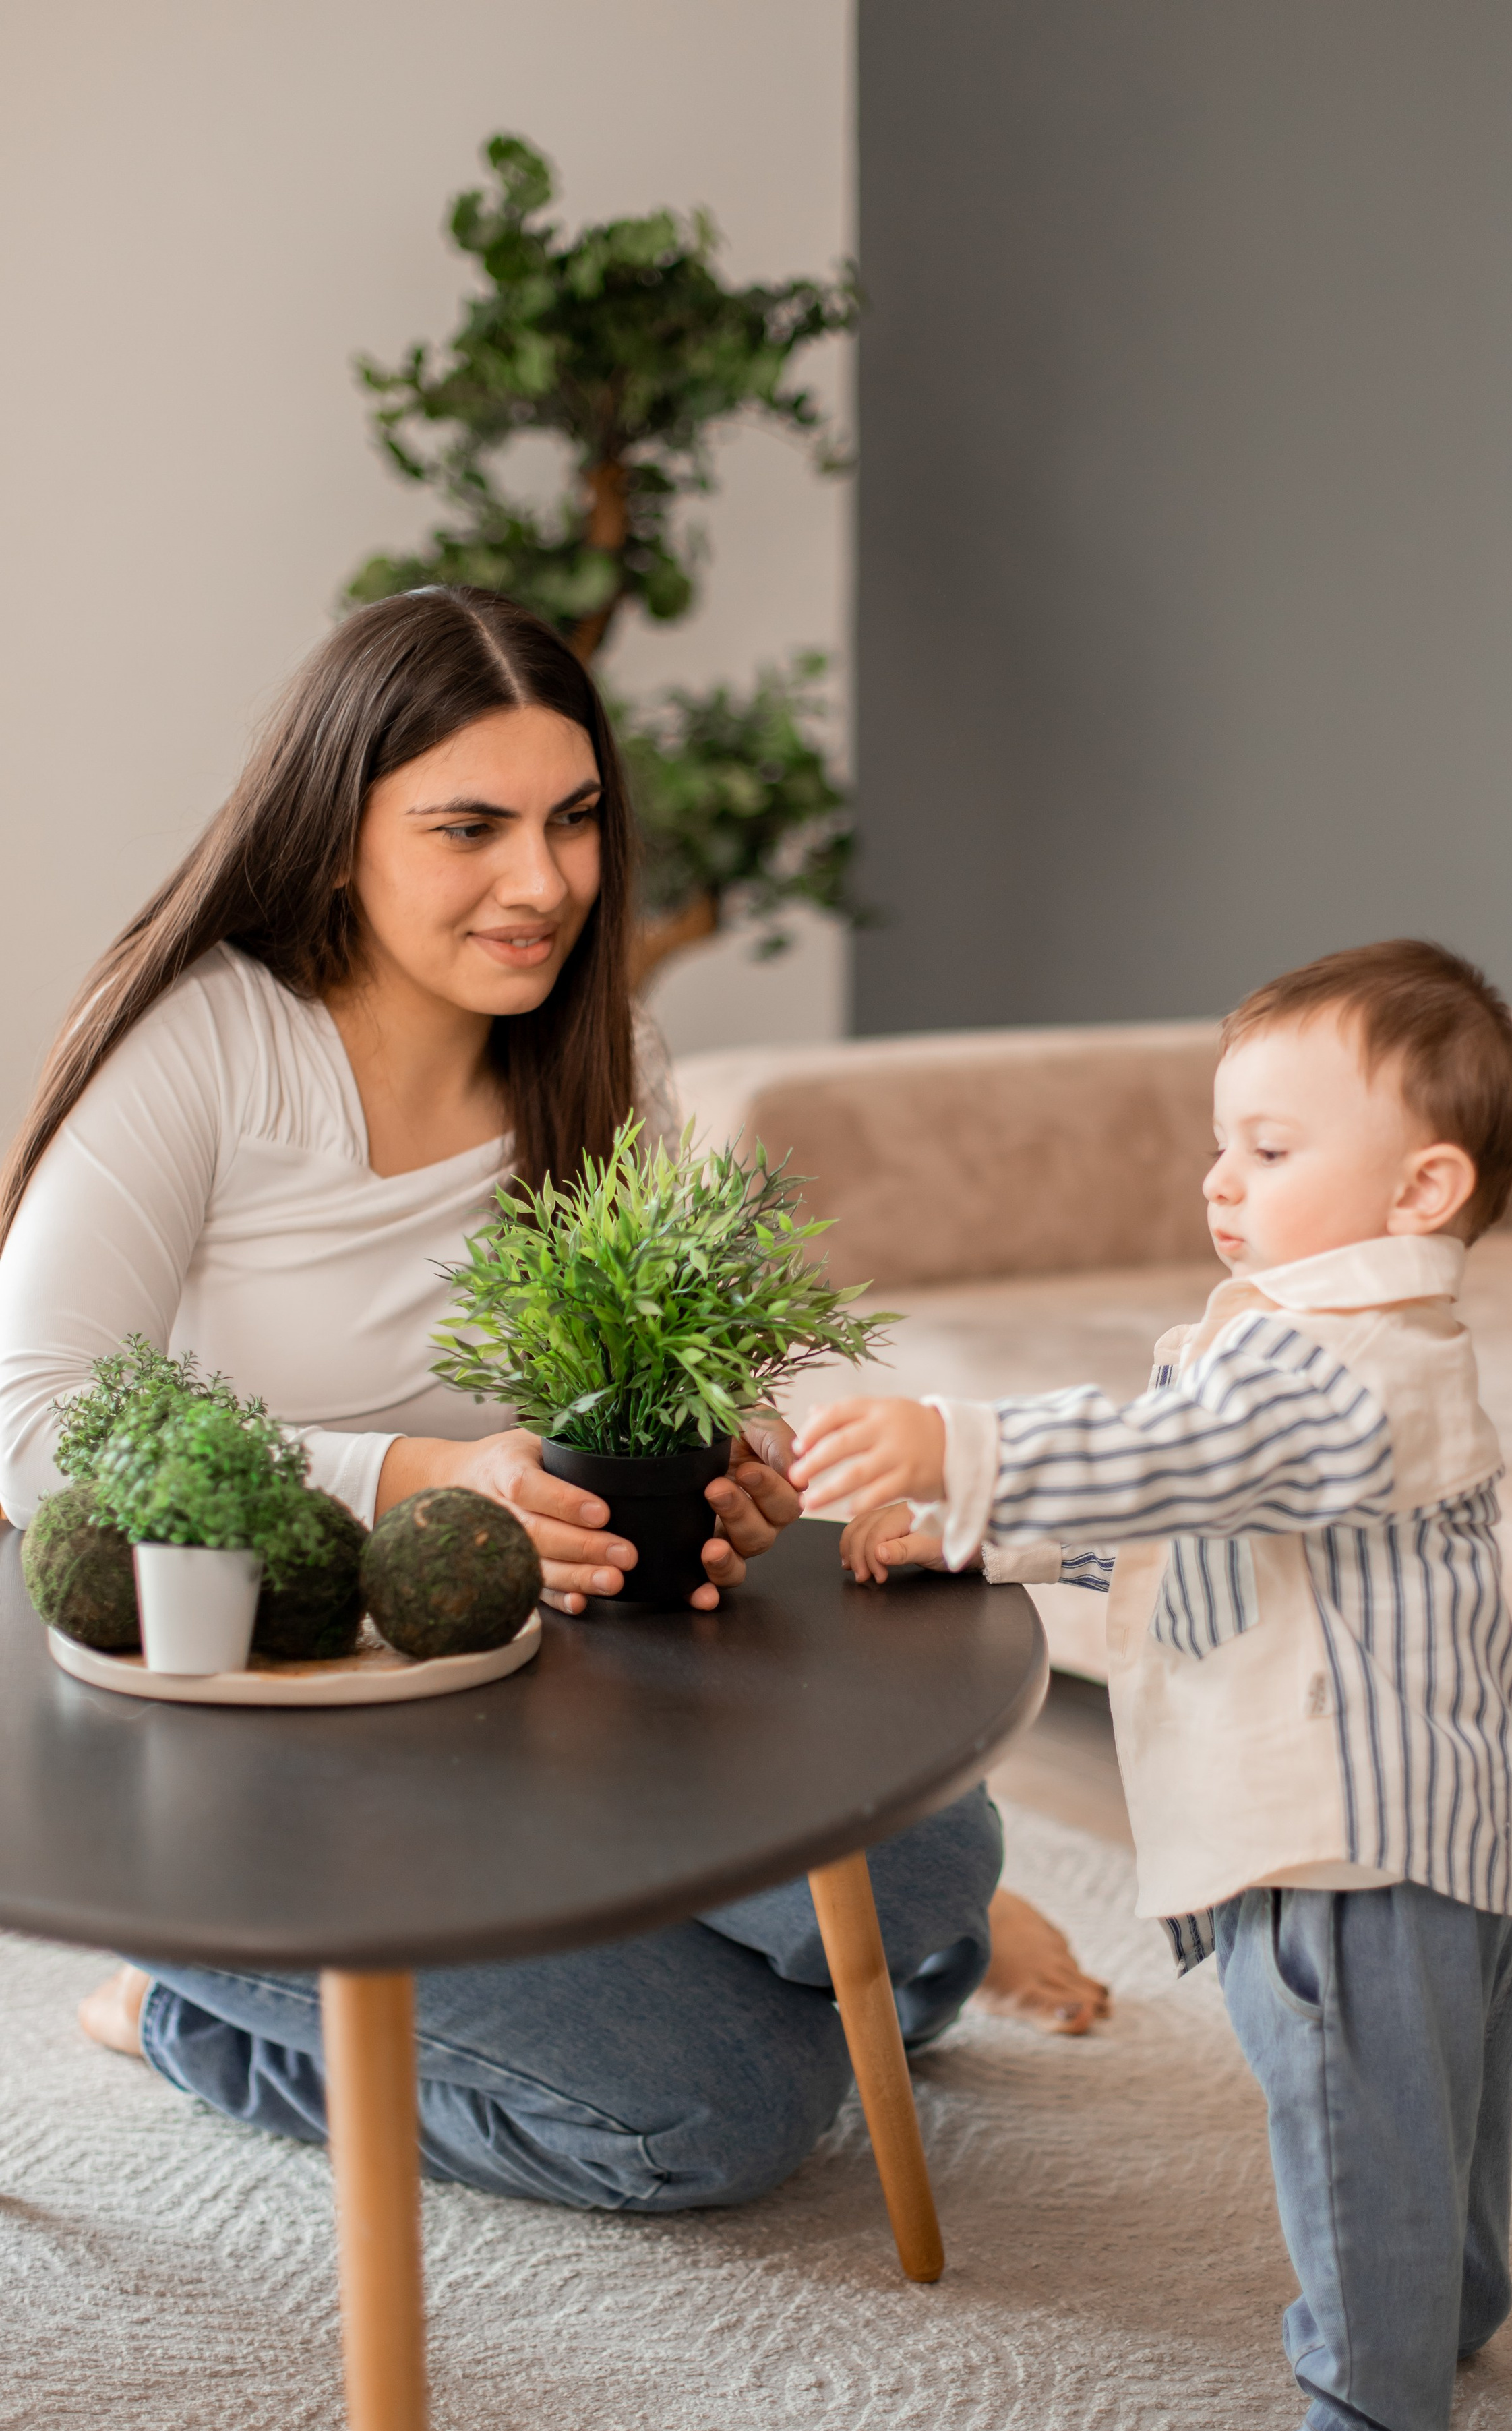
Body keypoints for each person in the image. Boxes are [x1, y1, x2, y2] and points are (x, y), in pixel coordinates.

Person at [0, 585, 1103, 2212]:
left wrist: (715, 1470)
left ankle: (790, 1963)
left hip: (519, 1682)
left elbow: (652, 1389)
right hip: (259, 1750)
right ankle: (186, 2019)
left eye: (574, 820)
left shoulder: (603, 1056)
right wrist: (416, 1475)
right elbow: (33, 1424)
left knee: (931, 1868)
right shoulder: (206, 1049)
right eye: (470, 829)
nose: (543, 884)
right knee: (726, 2118)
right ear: (332, 839)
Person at [793, 941, 1512, 2431]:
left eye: (1270, 1152)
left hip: (1342, 1839)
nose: (1220, 1181)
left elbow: (1173, 1457)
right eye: (1221, 1144)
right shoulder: (1300, 1344)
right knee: (1432, 2108)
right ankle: (1445, 2300)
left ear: (1420, 1187)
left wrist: (961, 1441)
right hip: (1441, 1818)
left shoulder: (1350, 1364)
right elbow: (1196, 1533)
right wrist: (975, 1543)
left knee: (1346, 2112)